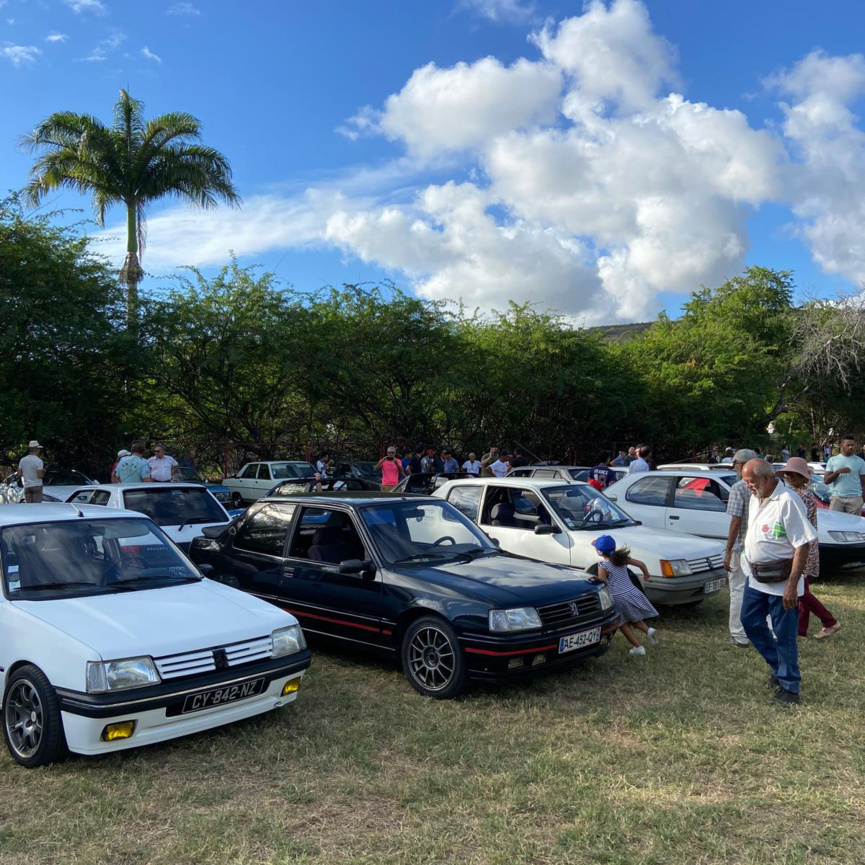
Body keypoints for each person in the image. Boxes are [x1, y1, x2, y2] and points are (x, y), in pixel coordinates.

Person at [739, 458, 816, 705]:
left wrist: (793, 585)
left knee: (784, 634)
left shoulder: (787, 501)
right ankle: (778, 667)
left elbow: (802, 545)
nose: (747, 486)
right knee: (749, 621)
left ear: (765, 478)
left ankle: (790, 688)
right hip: (756, 577)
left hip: (781, 581)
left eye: (750, 481)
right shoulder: (756, 497)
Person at [777, 458, 841, 641]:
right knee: (802, 590)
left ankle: (829, 621)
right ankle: (801, 632)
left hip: (803, 547)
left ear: (803, 477)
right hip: (807, 545)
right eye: (787, 474)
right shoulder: (800, 493)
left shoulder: (801, 496)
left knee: (801, 591)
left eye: (793, 475)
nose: (789, 477)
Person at [591, 535, 659, 656]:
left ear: (600, 552)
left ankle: (638, 648)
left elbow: (602, 581)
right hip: (632, 592)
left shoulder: (603, 566)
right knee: (633, 617)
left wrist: (594, 578)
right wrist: (646, 574)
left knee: (621, 623)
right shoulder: (622, 559)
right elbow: (641, 564)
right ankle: (648, 631)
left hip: (618, 597)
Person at [723, 448, 758, 648]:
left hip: (741, 547)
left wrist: (727, 551)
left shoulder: (739, 487)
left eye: (736, 464)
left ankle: (739, 635)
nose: (735, 468)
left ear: (742, 464)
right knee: (762, 590)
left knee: (737, 590)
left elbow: (736, 520)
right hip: (761, 547)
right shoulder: (770, 484)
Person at [823, 435, 865, 514]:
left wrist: (862, 499)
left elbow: (864, 482)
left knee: (853, 525)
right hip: (837, 498)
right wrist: (837, 472)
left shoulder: (860, 461)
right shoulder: (833, 460)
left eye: (852, 445)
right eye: (848, 445)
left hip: (855, 498)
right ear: (841, 445)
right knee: (835, 524)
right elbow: (826, 481)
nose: (850, 447)